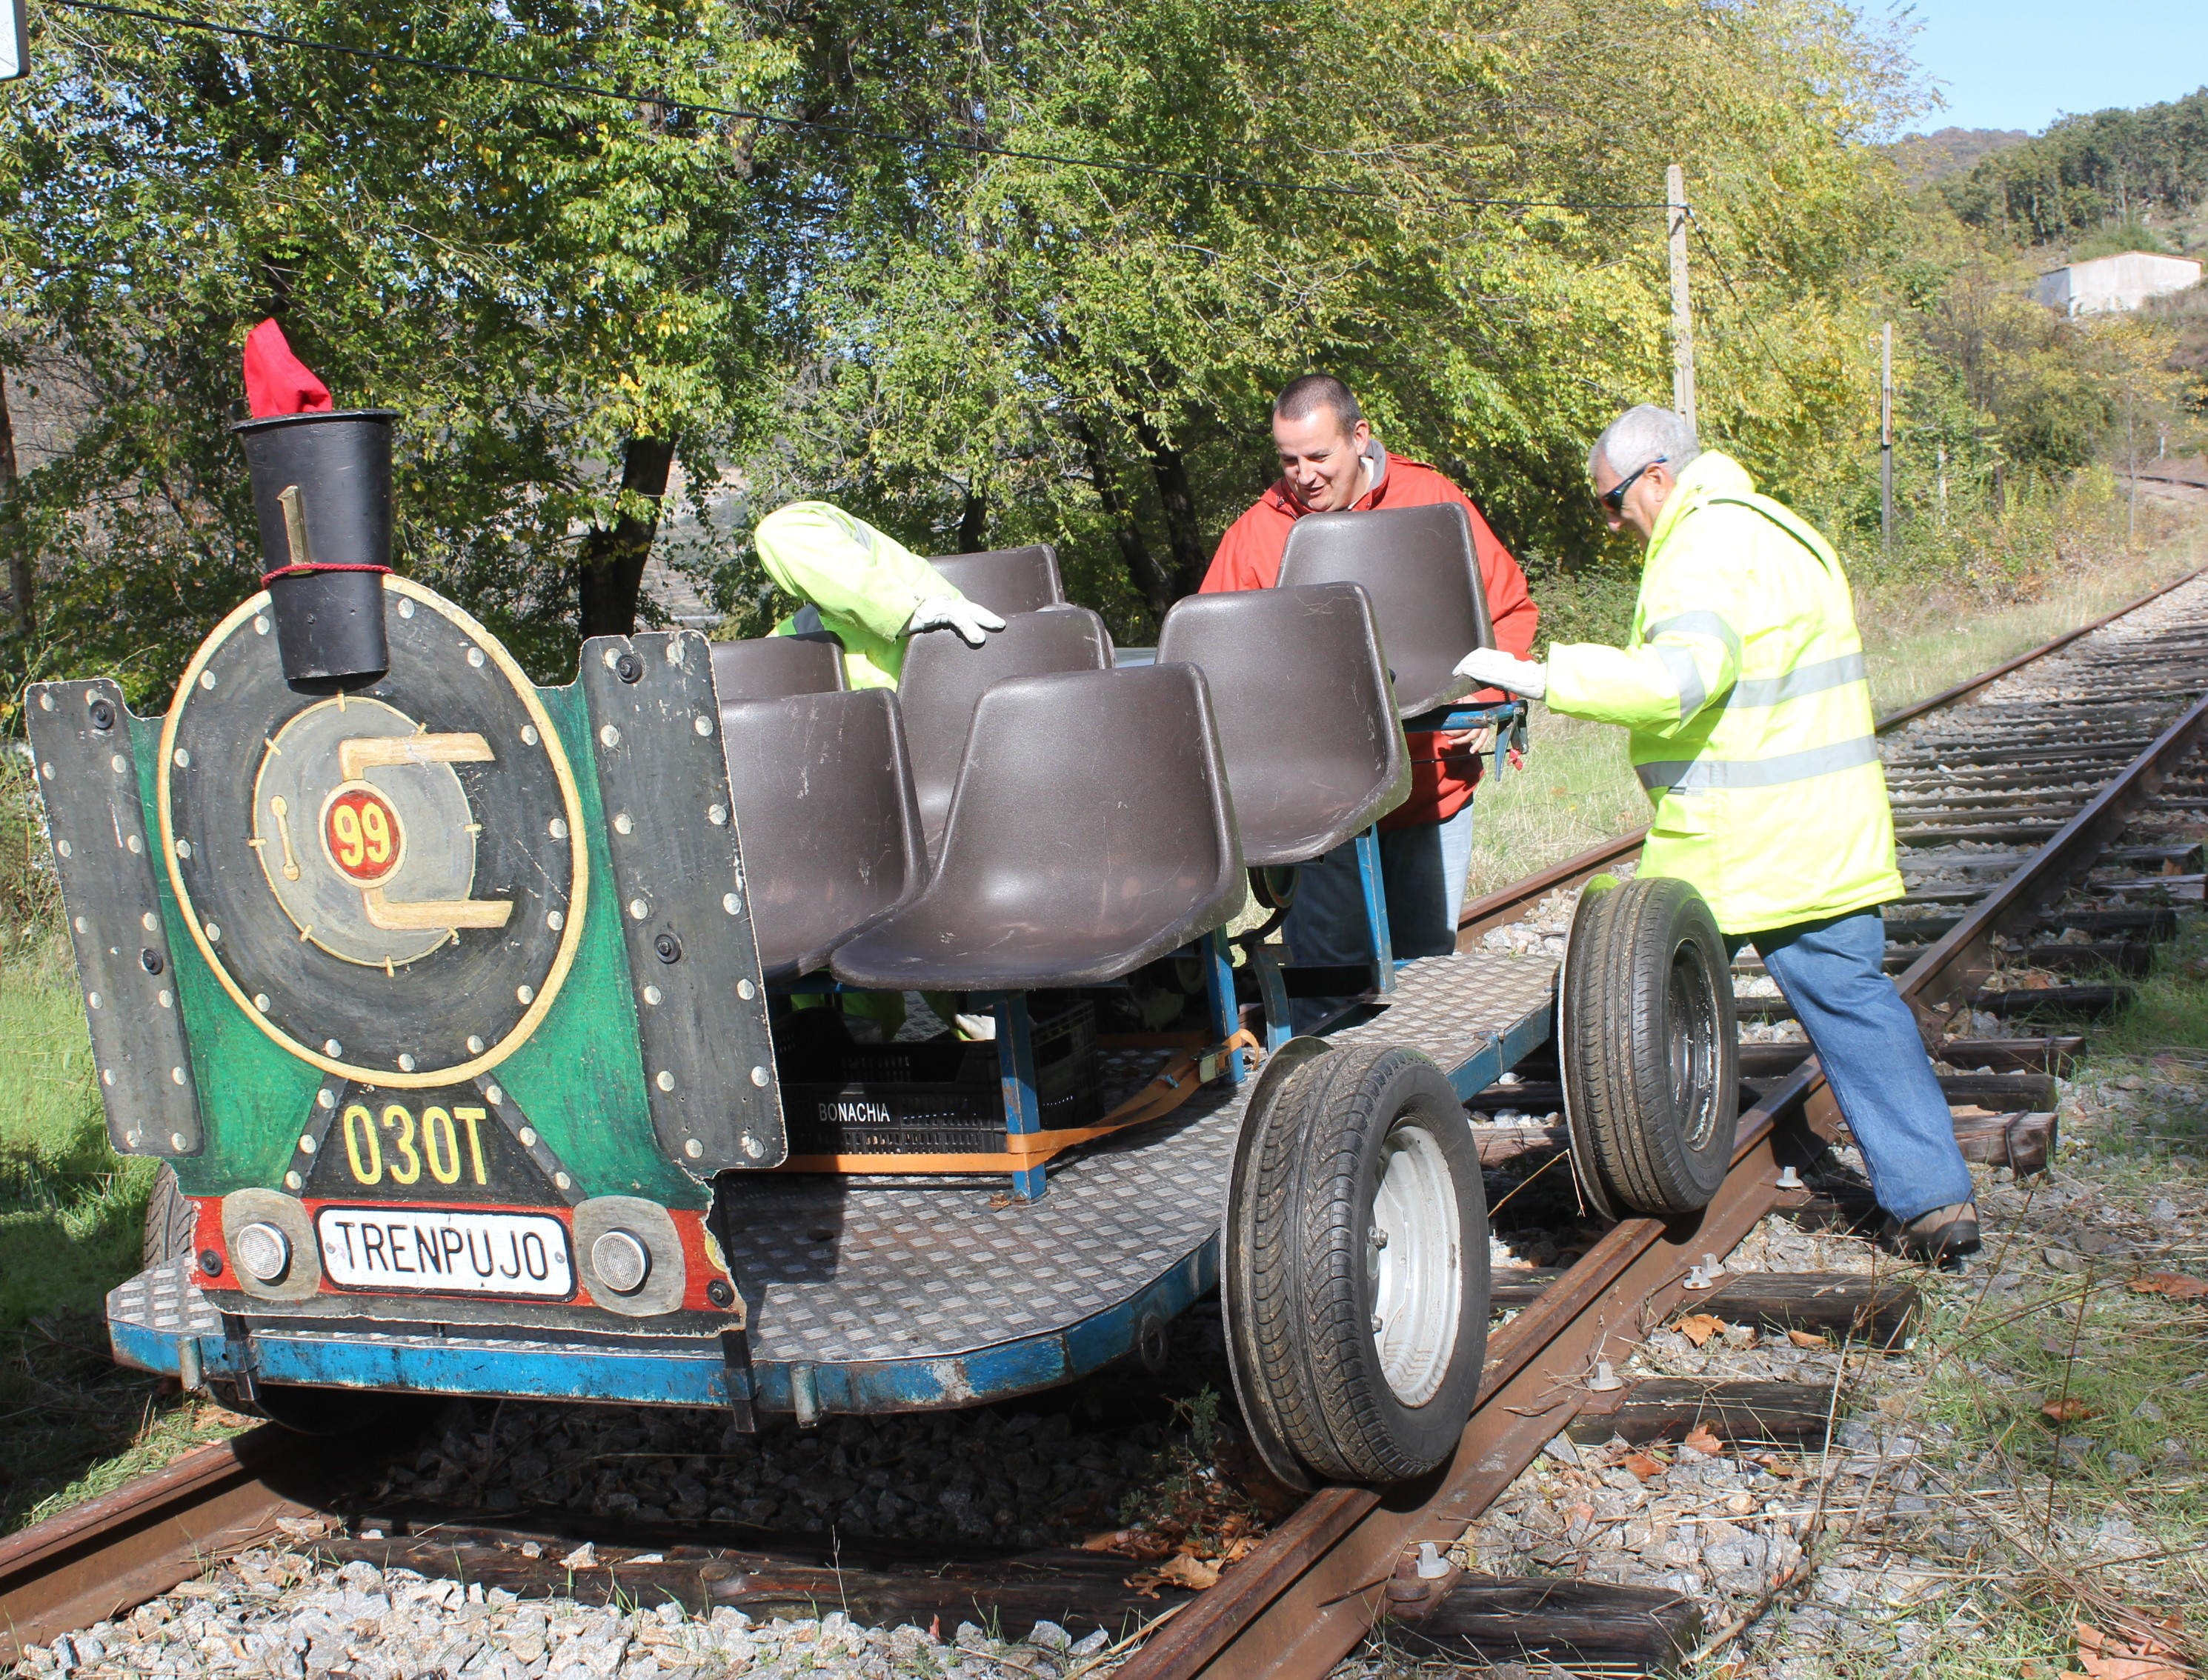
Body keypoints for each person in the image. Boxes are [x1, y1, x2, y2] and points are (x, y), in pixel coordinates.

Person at [1454, 404, 1978, 1263]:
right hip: (1826, 832)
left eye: (1613, 502)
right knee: (1857, 1010)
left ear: (1655, 476)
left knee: (1631, 1009)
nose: (1616, 523)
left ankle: (1631, 1183)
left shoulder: (1696, 547)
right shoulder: (1783, 531)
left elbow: (1678, 681)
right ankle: (1937, 1208)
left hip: (1734, 840)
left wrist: (1543, 677)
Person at [1201, 373, 1539, 1021]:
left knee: (1423, 979)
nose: (1303, 475)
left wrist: (1491, 693)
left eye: (1318, 456)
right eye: (1288, 460)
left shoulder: (1431, 502)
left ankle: (1416, 1106)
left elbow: (1512, 610)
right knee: (1329, 984)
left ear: (1360, 438)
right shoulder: (1257, 533)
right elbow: (1209, 652)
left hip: (1430, 784)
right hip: (1320, 807)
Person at [749, 499, 1005, 1041]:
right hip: (825, 816)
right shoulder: (809, 627)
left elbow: (781, 531)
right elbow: (781, 533)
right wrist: (905, 609)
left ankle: (982, 1027)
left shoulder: (938, 609)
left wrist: (909, 610)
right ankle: (845, 1041)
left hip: (927, 808)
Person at [753, 500, 1005, 690]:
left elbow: (779, 531)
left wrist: (903, 611)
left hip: (949, 678)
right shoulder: (779, 644)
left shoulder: (793, 528)